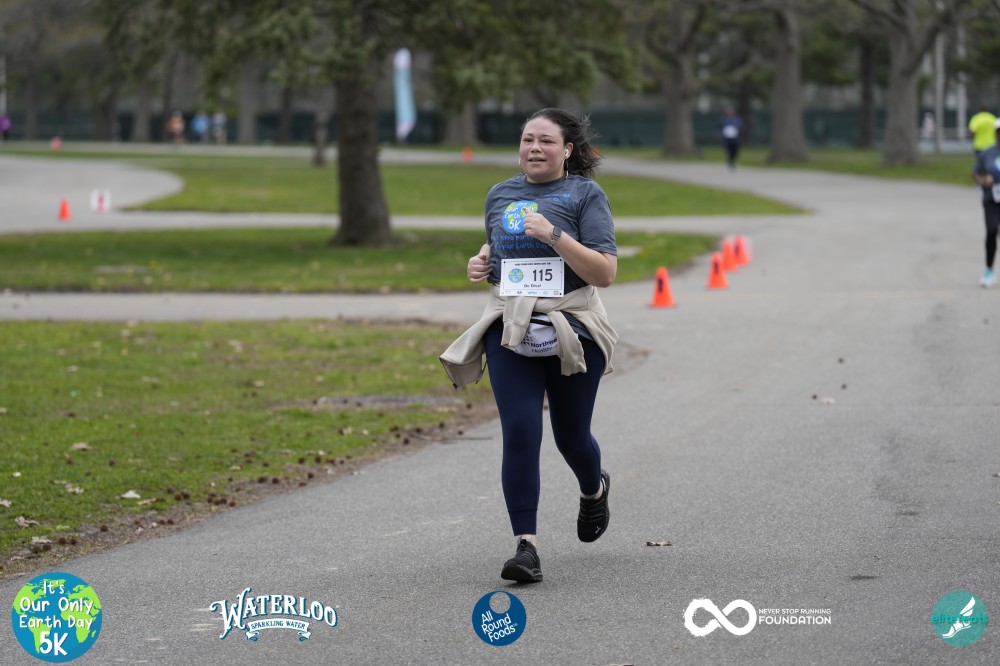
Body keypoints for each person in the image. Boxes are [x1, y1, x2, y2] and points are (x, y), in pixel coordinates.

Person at [440, 108, 618, 583]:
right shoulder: (500, 194)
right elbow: (498, 250)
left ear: (567, 150)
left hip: (572, 326)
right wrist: (482, 261)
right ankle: (526, 547)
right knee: (520, 431)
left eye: (545, 141)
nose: (534, 148)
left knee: (571, 437)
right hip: (511, 327)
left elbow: (604, 272)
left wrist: (555, 235)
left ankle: (594, 489)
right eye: (527, 140)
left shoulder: (585, 195)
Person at [972, 118, 1000, 288]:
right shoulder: (988, 153)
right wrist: (983, 180)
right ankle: (989, 270)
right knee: (992, 230)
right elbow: (975, 172)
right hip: (991, 200)